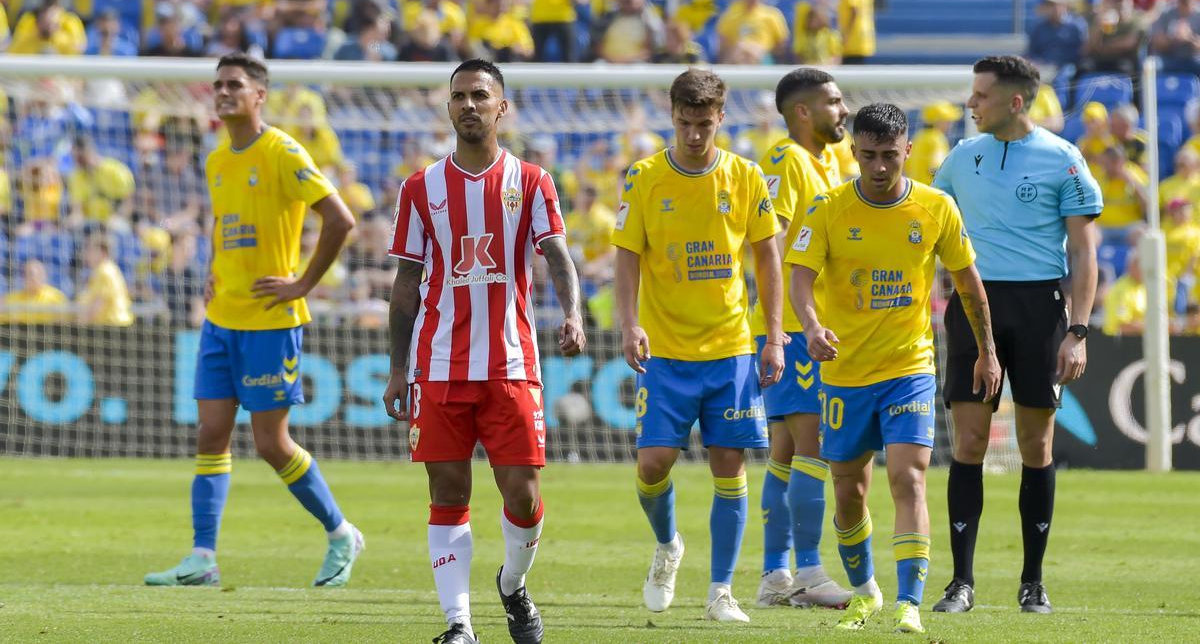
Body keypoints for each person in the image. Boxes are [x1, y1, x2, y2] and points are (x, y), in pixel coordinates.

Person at [382, 59, 586, 644]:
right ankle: (459, 625)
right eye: (459, 97)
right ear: (448, 109)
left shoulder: (533, 181)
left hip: (512, 363)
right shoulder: (421, 188)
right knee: (448, 493)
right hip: (440, 367)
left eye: (480, 95)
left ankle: (512, 585)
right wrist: (399, 370)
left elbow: (556, 256)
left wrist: (572, 312)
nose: (469, 105)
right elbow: (405, 283)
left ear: (502, 108)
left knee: (522, 498)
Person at [145, 53, 362, 588]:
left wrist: (303, 284)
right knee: (211, 433)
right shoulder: (217, 160)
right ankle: (202, 557)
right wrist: (214, 273)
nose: (223, 92)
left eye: (234, 85)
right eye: (218, 85)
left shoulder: (283, 151)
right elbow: (226, 223)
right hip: (221, 318)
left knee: (270, 443)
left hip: (270, 320)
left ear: (259, 95)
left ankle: (340, 533)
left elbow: (340, 219)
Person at [787, 102, 1001, 634]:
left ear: (908, 150)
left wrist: (987, 351)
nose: (879, 168)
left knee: (909, 477)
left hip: (909, 367)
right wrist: (811, 327)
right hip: (844, 374)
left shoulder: (936, 208)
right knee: (849, 491)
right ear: (852, 151)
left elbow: (969, 285)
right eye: (868, 156)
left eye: (890, 156)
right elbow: (799, 278)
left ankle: (909, 602)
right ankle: (866, 594)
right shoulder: (828, 208)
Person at [611, 68, 785, 624]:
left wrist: (774, 335)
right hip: (664, 351)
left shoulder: (746, 176)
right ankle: (668, 546)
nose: (693, 135)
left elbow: (768, 259)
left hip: (731, 347)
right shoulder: (644, 178)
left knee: (729, 465)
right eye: (684, 124)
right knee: (652, 464)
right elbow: (626, 256)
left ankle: (720, 592)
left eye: (704, 125)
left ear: (721, 119)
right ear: (672, 117)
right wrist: (627, 323)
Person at [931, 55, 1103, 615]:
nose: (970, 104)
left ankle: (1033, 581)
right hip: (972, 305)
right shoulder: (961, 158)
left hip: (1040, 308)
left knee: (1036, 446)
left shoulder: (1063, 159)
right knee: (970, 444)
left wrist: (1076, 331)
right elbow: (927, 232)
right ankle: (961, 583)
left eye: (980, 96)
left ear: (1015, 101)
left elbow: (1083, 253)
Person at [751, 68, 853, 611]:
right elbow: (770, 242)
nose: (844, 110)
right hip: (792, 327)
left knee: (788, 452)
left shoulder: (833, 162)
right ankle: (809, 573)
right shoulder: (785, 160)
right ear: (803, 112)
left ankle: (776, 576)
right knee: (811, 446)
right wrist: (781, 328)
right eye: (834, 102)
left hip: (812, 323)